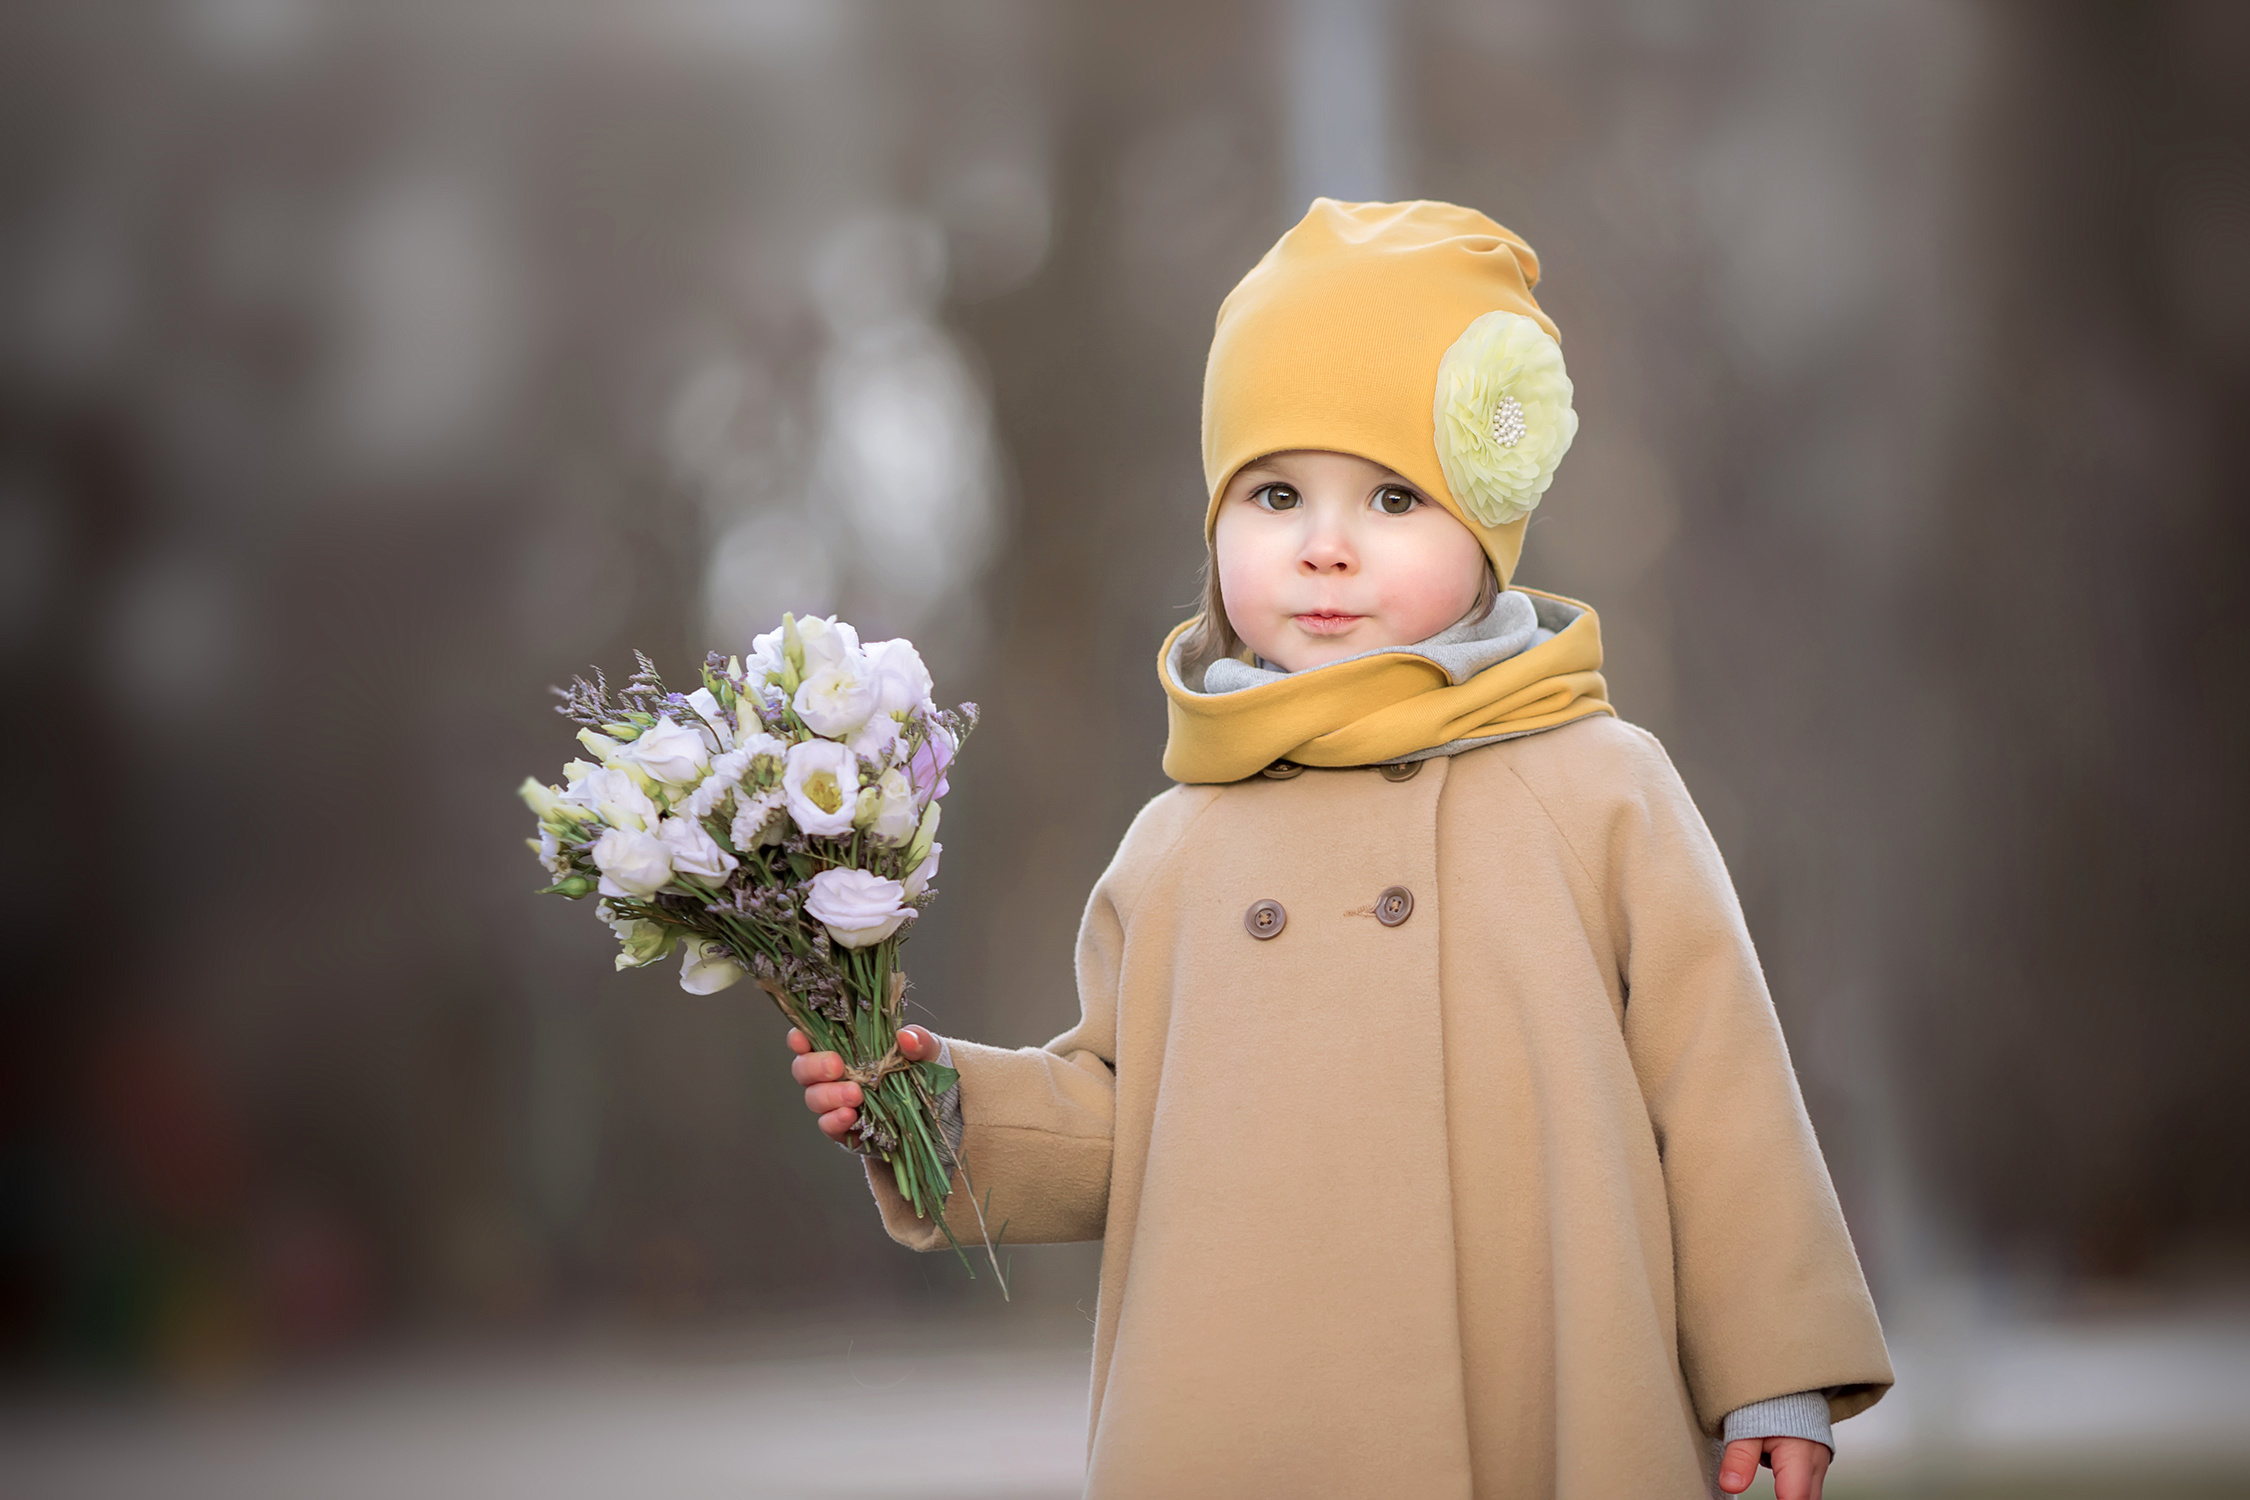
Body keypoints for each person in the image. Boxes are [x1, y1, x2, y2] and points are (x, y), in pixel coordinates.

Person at [784, 199, 1893, 1499]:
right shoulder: (1176, 847)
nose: (1322, 543)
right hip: (1245, 1420)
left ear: (1479, 534)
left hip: (1538, 1407)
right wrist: (935, 1113)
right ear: (1215, 529)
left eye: (1388, 495)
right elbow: (1119, 1119)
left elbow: (1719, 1094)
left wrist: (1770, 1364)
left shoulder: (1594, 787)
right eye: (1272, 493)